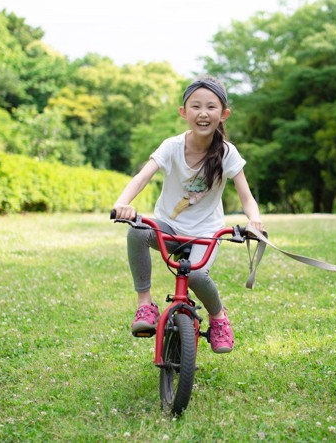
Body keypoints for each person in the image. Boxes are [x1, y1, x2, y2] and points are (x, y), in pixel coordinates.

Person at [112, 75, 264, 353]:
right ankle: (145, 305)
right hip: (169, 228)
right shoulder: (171, 146)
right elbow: (142, 176)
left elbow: (246, 196)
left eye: (211, 107)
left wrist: (254, 221)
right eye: (195, 106)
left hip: (206, 234)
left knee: (195, 276)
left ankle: (218, 317)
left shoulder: (227, 152)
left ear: (224, 114)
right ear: (183, 112)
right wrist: (123, 203)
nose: (203, 114)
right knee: (137, 231)